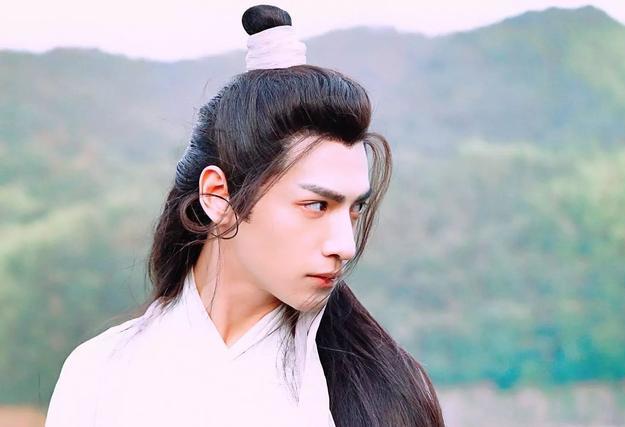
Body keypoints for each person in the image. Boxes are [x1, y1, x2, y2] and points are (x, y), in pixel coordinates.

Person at [45, 4, 445, 427]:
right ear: (218, 196)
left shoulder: (382, 395)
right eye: (316, 206)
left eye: (354, 210)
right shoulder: (98, 373)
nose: (345, 246)